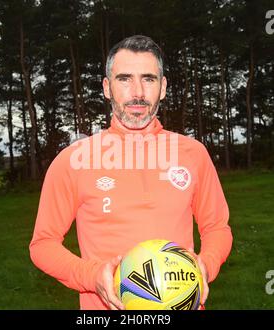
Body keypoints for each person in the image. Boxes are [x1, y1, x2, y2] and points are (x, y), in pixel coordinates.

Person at [29, 35, 233, 310]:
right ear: (106, 87)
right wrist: (92, 275)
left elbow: (217, 227)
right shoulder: (73, 160)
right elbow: (43, 244)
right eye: (124, 79)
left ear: (162, 88)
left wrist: (205, 265)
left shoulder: (193, 154)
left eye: (148, 79)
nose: (137, 92)